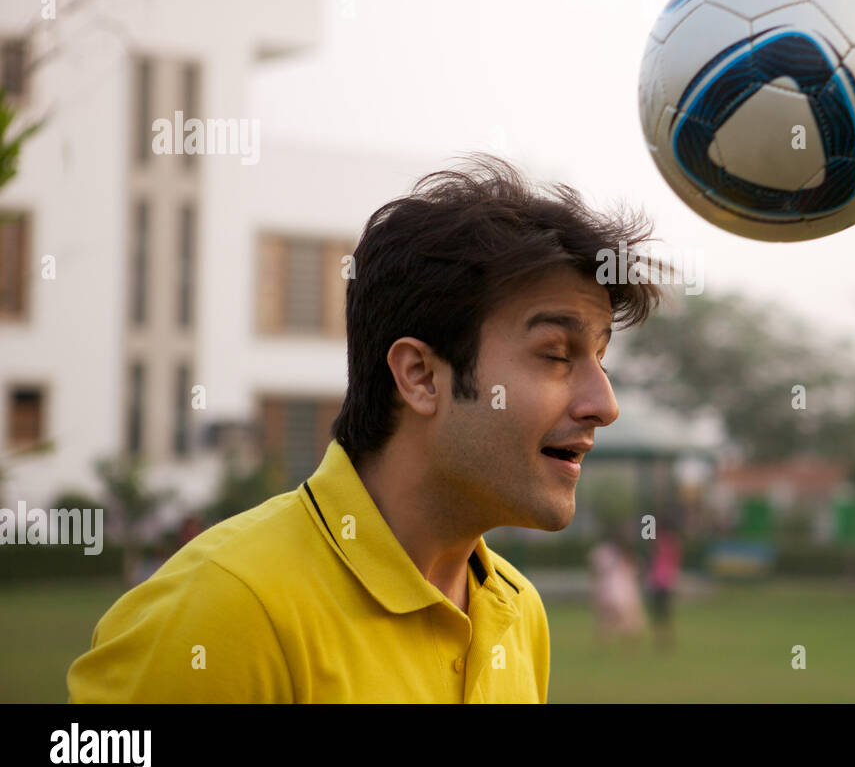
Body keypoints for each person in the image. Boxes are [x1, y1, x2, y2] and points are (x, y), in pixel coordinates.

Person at [67, 154, 667, 702]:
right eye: (557, 355)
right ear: (421, 376)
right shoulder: (227, 606)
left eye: (600, 359)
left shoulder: (517, 609)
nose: (603, 403)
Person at [589, 527, 646, 645]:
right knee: (621, 620)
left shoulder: (614, 553)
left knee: (613, 621)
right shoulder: (609, 553)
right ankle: (621, 643)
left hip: (616, 590)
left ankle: (613, 643)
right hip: (617, 590)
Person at [647, 521, 683, 652]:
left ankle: (662, 639)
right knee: (665, 614)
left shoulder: (660, 543)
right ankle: (666, 639)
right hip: (666, 582)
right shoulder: (673, 542)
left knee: (659, 614)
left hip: (659, 582)